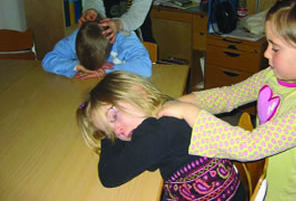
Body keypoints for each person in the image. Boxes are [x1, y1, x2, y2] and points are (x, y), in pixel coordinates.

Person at [158, 0, 296, 201]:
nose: (266, 53)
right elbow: (229, 96)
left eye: (275, 48)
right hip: (267, 185)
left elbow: (250, 146)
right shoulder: (273, 76)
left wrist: (188, 112)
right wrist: (175, 101)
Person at [76, 71, 246, 201]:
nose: (118, 131)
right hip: (228, 192)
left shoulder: (157, 132)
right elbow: (147, 160)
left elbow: (109, 177)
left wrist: (107, 138)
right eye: (110, 132)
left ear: (138, 92)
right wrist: (109, 125)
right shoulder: (166, 107)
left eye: (114, 116)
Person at [42, 17, 152, 79]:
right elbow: (48, 60)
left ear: (111, 43)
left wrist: (107, 70)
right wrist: (77, 66)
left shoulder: (124, 37)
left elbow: (145, 68)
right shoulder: (78, 37)